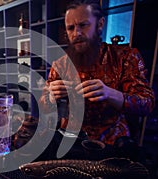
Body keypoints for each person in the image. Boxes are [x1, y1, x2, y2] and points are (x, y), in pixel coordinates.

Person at [39, 0, 155, 145]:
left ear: (100, 24)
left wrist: (110, 94)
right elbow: (43, 105)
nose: (77, 33)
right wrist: (50, 96)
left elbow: (147, 103)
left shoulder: (125, 57)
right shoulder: (61, 64)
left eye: (83, 25)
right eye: (70, 28)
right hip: (71, 140)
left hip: (113, 141)